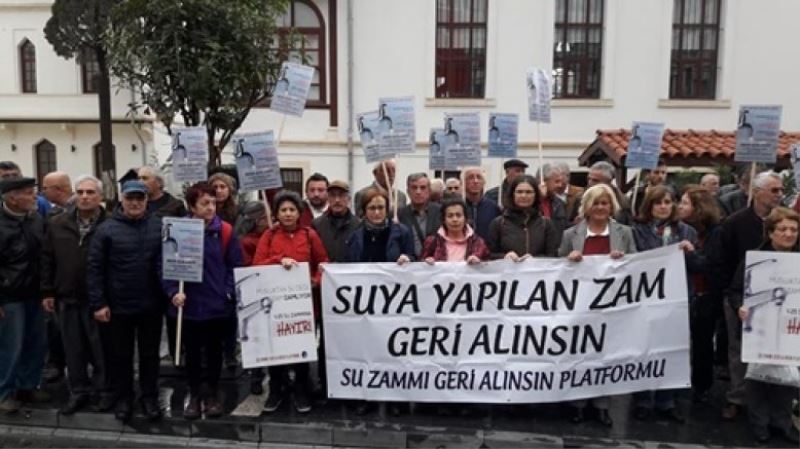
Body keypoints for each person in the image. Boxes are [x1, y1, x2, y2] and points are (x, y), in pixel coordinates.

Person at [559, 183, 637, 427]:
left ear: (611, 206)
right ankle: (578, 405)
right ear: (586, 207)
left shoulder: (625, 233)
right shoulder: (570, 235)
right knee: (579, 354)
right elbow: (557, 267)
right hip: (580, 306)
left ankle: (602, 406)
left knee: (605, 356)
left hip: (611, 306)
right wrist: (568, 260)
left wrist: (624, 260)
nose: (601, 207)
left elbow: (637, 265)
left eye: (605, 203)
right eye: (596, 203)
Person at [163, 182, 242, 420]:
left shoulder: (225, 231)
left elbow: (234, 265)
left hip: (217, 304)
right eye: (204, 203)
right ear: (192, 206)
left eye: (213, 203)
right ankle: (195, 395)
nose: (210, 208)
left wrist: (228, 292)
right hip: (189, 304)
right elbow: (165, 265)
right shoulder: (177, 230)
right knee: (193, 354)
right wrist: (172, 292)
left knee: (215, 352)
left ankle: (212, 394)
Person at [710, 171, 784, 420]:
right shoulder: (735, 222)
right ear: (758, 191)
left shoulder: (787, 221)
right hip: (739, 296)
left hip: (779, 296)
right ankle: (737, 398)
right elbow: (721, 259)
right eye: (774, 190)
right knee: (739, 350)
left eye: (781, 190)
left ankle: (772, 403)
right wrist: (729, 293)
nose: (779, 195)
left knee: (776, 349)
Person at [88, 180, 163, 423]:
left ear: (146, 200)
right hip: (118, 306)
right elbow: (94, 268)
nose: (135, 203)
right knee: (120, 356)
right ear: (122, 199)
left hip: (151, 304)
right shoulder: (106, 230)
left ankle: (150, 397)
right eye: (130, 198)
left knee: (150, 355)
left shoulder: (160, 226)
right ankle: (124, 398)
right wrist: (99, 303)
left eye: (140, 198)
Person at [40, 175, 113, 415]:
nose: (84, 197)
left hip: (99, 300)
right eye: (80, 192)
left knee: (101, 350)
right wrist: (47, 291)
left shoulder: (110, 225)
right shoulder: (57, 223)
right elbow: (47, 259)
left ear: (100, 196)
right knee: (73, 350)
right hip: (67, 296)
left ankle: (104, 391)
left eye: (90, 192)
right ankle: (79, 391)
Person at [253, 191, 329, 414]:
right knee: (275, 349)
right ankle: (276, 387)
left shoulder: (309, 235)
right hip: (274, 306)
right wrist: (278, 260)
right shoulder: (269, 236)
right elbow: (257, 265)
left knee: (301, 348)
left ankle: (301, 389)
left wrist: (315, 280)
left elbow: (323, 262)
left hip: (303, 305)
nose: (287, 214)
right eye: (283, 210)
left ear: (299, 213)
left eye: (292, 210)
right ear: (276, 213)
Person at [729, 207, 800, 444]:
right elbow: (735, 291)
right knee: (757, 378)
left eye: (793, 229)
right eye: (783, 229)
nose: (789, 234)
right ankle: (759, 423)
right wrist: (740, 307)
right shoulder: (755, 260)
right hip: (758, 327)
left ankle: (782, 422)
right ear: (770, 232)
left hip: (790, 328)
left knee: (787, 377)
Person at [631, 185, 697, 423]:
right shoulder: (636, 231)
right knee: (643, 348)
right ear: (649, 206)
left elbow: (700, 266)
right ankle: (642, 399)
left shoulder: (687, 231)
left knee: (671, 349)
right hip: (646, 298)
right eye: (658, 202)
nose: (663, 207)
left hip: (676, 299)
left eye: (668, 202)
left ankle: (666, 401)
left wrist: (690, 253)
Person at [345, 187, 414, 416]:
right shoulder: (355, 234)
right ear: (364, 211)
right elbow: (348, 264)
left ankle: (396, 398)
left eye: (381, 207)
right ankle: (367, 395)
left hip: (394, 302)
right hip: (365, 303)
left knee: (394, 350)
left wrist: (407, 259)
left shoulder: (401, 232)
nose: (376, 212)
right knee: (367, 350)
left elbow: (414, 257)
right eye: (372, 208)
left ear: (387, 208)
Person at [0, 177, 47, 414]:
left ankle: (28, 386)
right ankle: (4, 393)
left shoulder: (36, 219)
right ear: (12, 198)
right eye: (28, 193)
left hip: (35, 293)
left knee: (35, 343)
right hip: (9, 296)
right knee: (11, 346)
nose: (34, 197)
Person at [677, 185, 722, 403]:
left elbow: (708, 264)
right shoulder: (679, 229)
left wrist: (690, 254)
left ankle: (701, 386)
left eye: (685, 203)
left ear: (698, 207)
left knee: (702, 343)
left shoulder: (715, 233)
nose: (679, 206)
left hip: (704, 296)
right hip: (683, 294)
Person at [487, 175, 558, 260]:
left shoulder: (546, 224)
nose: (524, 196)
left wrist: (535, 259)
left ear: (536, 195)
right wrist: (504, 256)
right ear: (513, 194)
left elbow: (552, 256)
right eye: (519, 192)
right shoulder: (498, 224)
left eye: (528, 192)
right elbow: (489, 255)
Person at [422, 197, 489, 264]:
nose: (455, 219)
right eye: (450, 216)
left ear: (465, 218)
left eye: (458, 215)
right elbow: (420, 266)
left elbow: (488, 265)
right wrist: (428, 262)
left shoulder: (478, 243)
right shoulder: (433, 242)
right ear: (443, 220)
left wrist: (478, 262)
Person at [312, 180, 361, 263]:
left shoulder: (358, 225)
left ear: (349, 199)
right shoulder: (317, 225)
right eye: (333, 195)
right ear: (328, 199)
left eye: (341, 195)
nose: (337, 200)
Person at [398, 173, 441, 259]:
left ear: (429, 191)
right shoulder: (399, 214)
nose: (418, 192)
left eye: (423, 188)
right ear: (408, 191)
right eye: (414, 188)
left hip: (434, 262)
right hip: (408, 262)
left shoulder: (440, 211)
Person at [462, 167, 501, 242]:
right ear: (463, 182)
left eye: (479, 177)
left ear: (484, 182)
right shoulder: (458, 206)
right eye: (470, 178)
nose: (475, 181)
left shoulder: (493, 207)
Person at [538, 164, 569, 244]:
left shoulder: (560, 203)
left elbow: (564, 227)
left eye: (561, 181)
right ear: (543, 181)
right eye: (556, 181)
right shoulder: (531, 201)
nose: (560, 185)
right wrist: (539, 199)